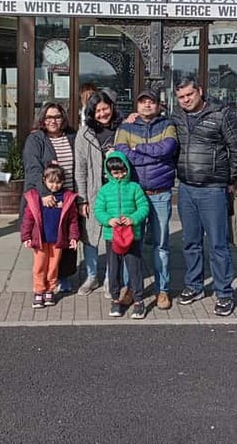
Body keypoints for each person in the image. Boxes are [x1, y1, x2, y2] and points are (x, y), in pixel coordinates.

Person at [170, 78, 237, 317]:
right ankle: (194, 286)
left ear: (200, 91)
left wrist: (228, 179)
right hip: (186, 188)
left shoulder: (221, 114)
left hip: (213, 189)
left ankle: (224, 293)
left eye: (190, 94)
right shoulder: (176, 117)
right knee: (190, 242)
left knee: (218, 244)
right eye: (181, 97)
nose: (186, 100)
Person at [114, 89, 178, 310]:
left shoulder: (167, 125)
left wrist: (138, 148)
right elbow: (122, 153)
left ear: (158, 105)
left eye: (151, 102)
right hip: (135, 193)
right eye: (143, 102)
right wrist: (153, 154)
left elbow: (167, 149)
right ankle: (131, 288)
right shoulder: (126, 127)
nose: (147, 105)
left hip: (161, 193)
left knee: (161, 245)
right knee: (131, 244)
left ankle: (163, 290)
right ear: (137, 106)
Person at [23, 102, 77, 292]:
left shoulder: (72, 136)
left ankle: (64, 277)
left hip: (68, 196)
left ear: (63, 118)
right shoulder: (36, 139)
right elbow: (32, 168)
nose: (53, 121)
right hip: (45, 199)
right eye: (49, 117)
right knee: (47, 243)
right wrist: (45, 193)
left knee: (68, 239)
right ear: (43, 119)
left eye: (57, 117)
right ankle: (43, 282)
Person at [74, 90, 123, 296]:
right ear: (91, 113)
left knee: (113, 235)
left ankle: (110, 278)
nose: (103, 113)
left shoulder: (123, 129)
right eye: (97, 110)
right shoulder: (85, 134)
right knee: (90, 235)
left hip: (117, 191)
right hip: (95, 191)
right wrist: (81, 199)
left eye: (105, 108)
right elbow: (81, 168)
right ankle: (92, 276)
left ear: (112, 107)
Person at [93, 151, 149, 319]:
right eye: (115, 173)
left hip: (132, 235)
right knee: (114, 268)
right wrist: (108, 220)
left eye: (122, 171)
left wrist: (133, 219)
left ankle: (138, 300)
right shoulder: (104, 190)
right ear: (109, 173)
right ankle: (115, 299)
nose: (119, 176)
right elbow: (98, 210)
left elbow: (144, 207)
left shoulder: (134, 188)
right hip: (113, 236)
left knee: (134, 268)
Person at [20, 164, 80, 309]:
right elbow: (28, 218)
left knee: (53, 267)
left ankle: (50, 290)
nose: (54, 186)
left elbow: (73, 220)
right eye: (51, 182)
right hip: (40, 240)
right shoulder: (35, 196)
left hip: (57, 240)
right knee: (39, 266)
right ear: (44, 181)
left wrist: (73, 237)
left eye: (58, 182)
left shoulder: (67, 198)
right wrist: (26, 236)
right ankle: (39, 291)